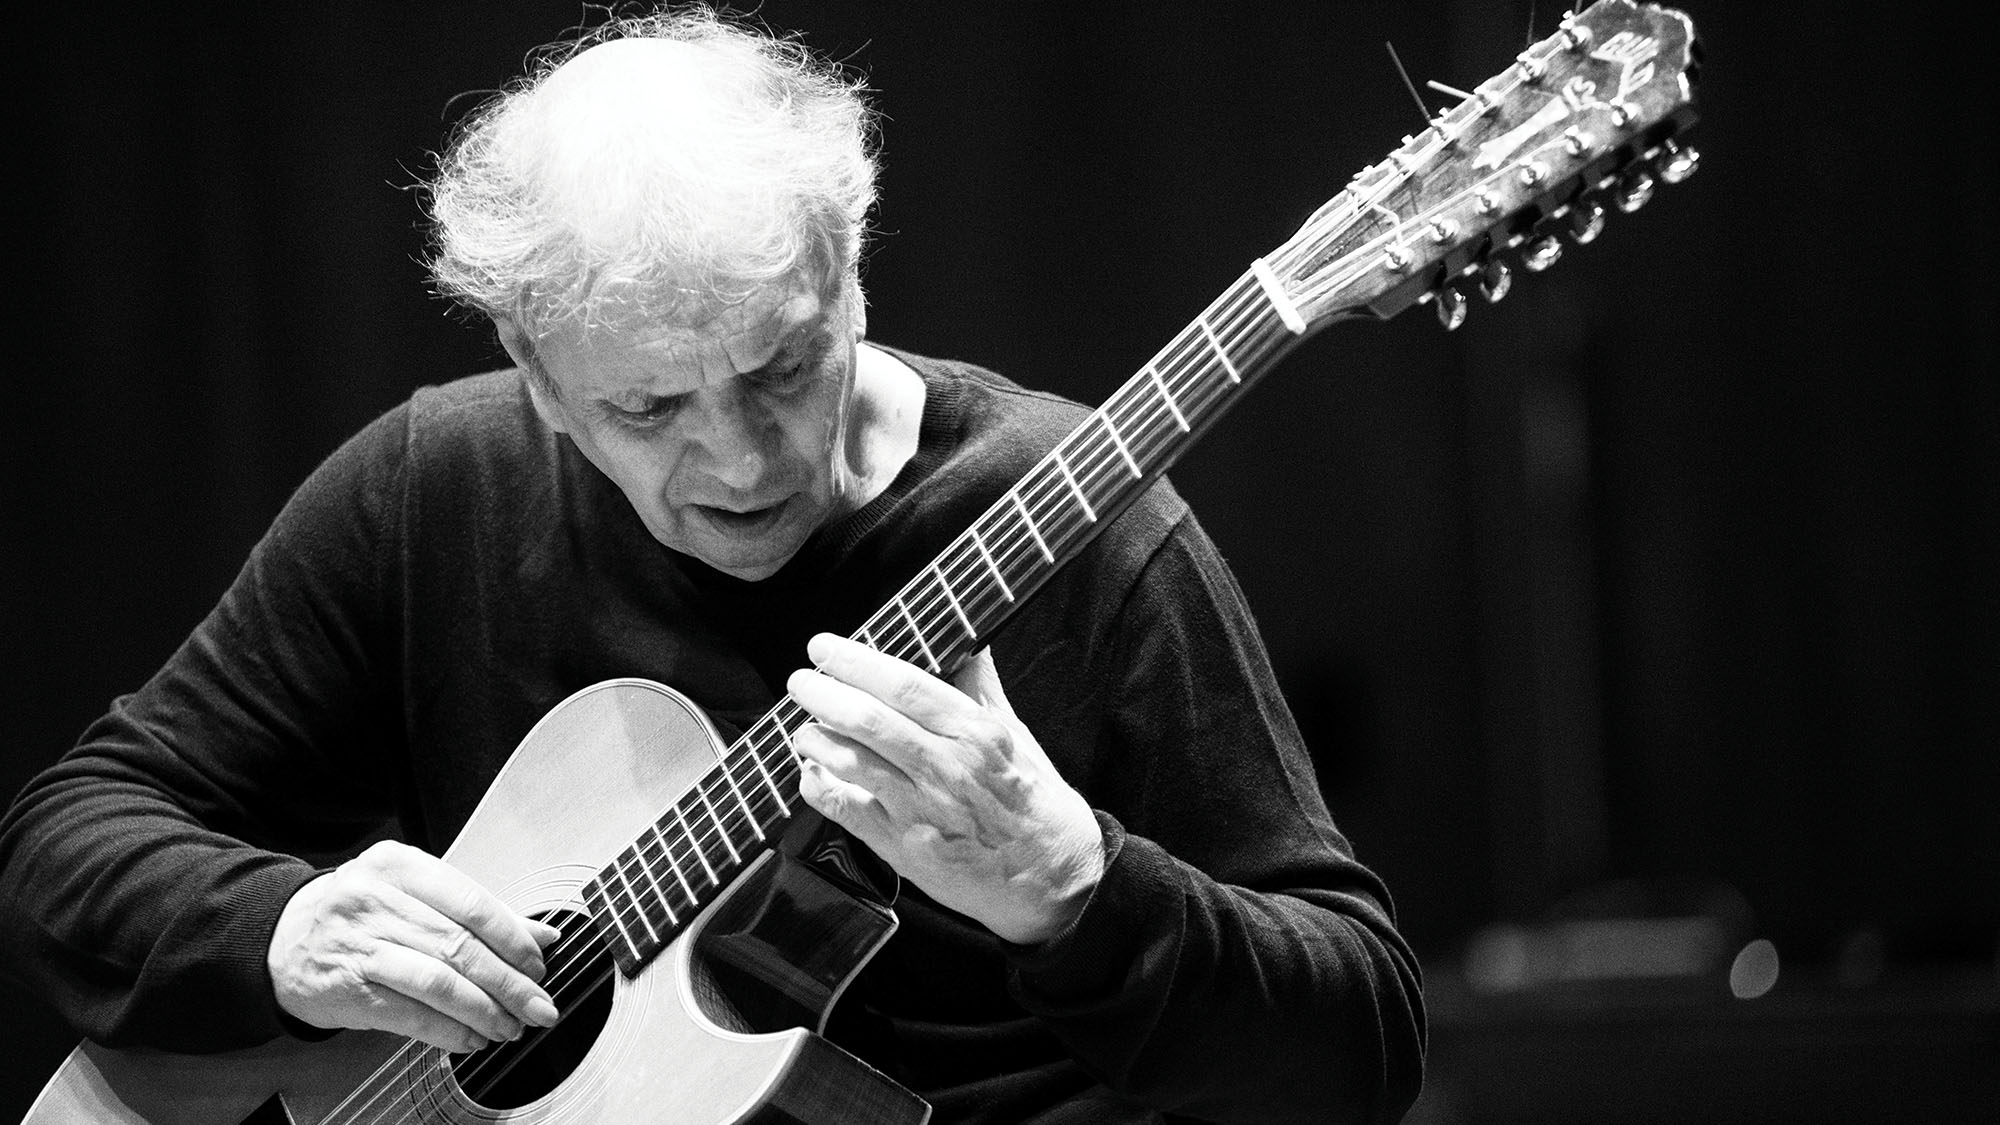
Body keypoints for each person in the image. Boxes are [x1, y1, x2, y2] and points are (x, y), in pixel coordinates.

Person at [0, 5, 1424, 1122]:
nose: (741, 461)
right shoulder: (444, 488)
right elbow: (75, 831)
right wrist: (285, 931)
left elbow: (1359, 1055)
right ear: (538, 376)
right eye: (649, 409)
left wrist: (1075, 886)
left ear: (853, 271)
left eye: (787, 366)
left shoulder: (1082, 526)